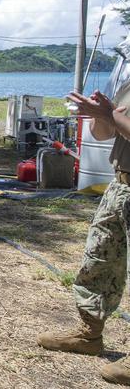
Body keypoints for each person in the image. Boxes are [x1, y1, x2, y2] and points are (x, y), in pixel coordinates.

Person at [38, 88, 130, 385]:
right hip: (120, 186)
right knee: (98, 260)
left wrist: (109, 114)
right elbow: (104, 134)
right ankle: (89, 334)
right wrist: (99, 117)